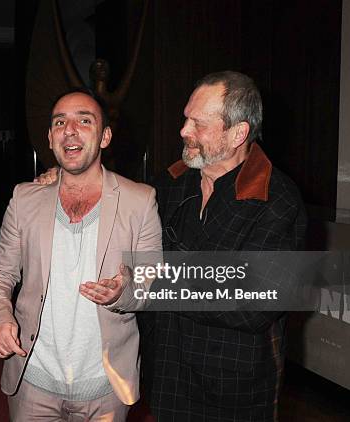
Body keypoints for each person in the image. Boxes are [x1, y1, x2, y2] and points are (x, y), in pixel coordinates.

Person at [0, 89, 162, 421]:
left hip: (105, 388)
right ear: (50, 138)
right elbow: (0, 271)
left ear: (105, 136)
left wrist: (124, 292)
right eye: (60, 122)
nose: (70, 130)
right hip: (33, 381)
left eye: (84, 120)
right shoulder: (25, 198)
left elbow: (150, 282)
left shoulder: (140, 201)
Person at [141, 71, 307, 421]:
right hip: (167, 377)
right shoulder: (172, 182)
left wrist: (156, 281)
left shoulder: (277, 199)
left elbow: (254, 301)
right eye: (186, 118)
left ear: (238, 133)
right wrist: (69, 182)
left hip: (234, 392)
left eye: (197, 123)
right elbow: (120, 205)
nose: (183, 131)